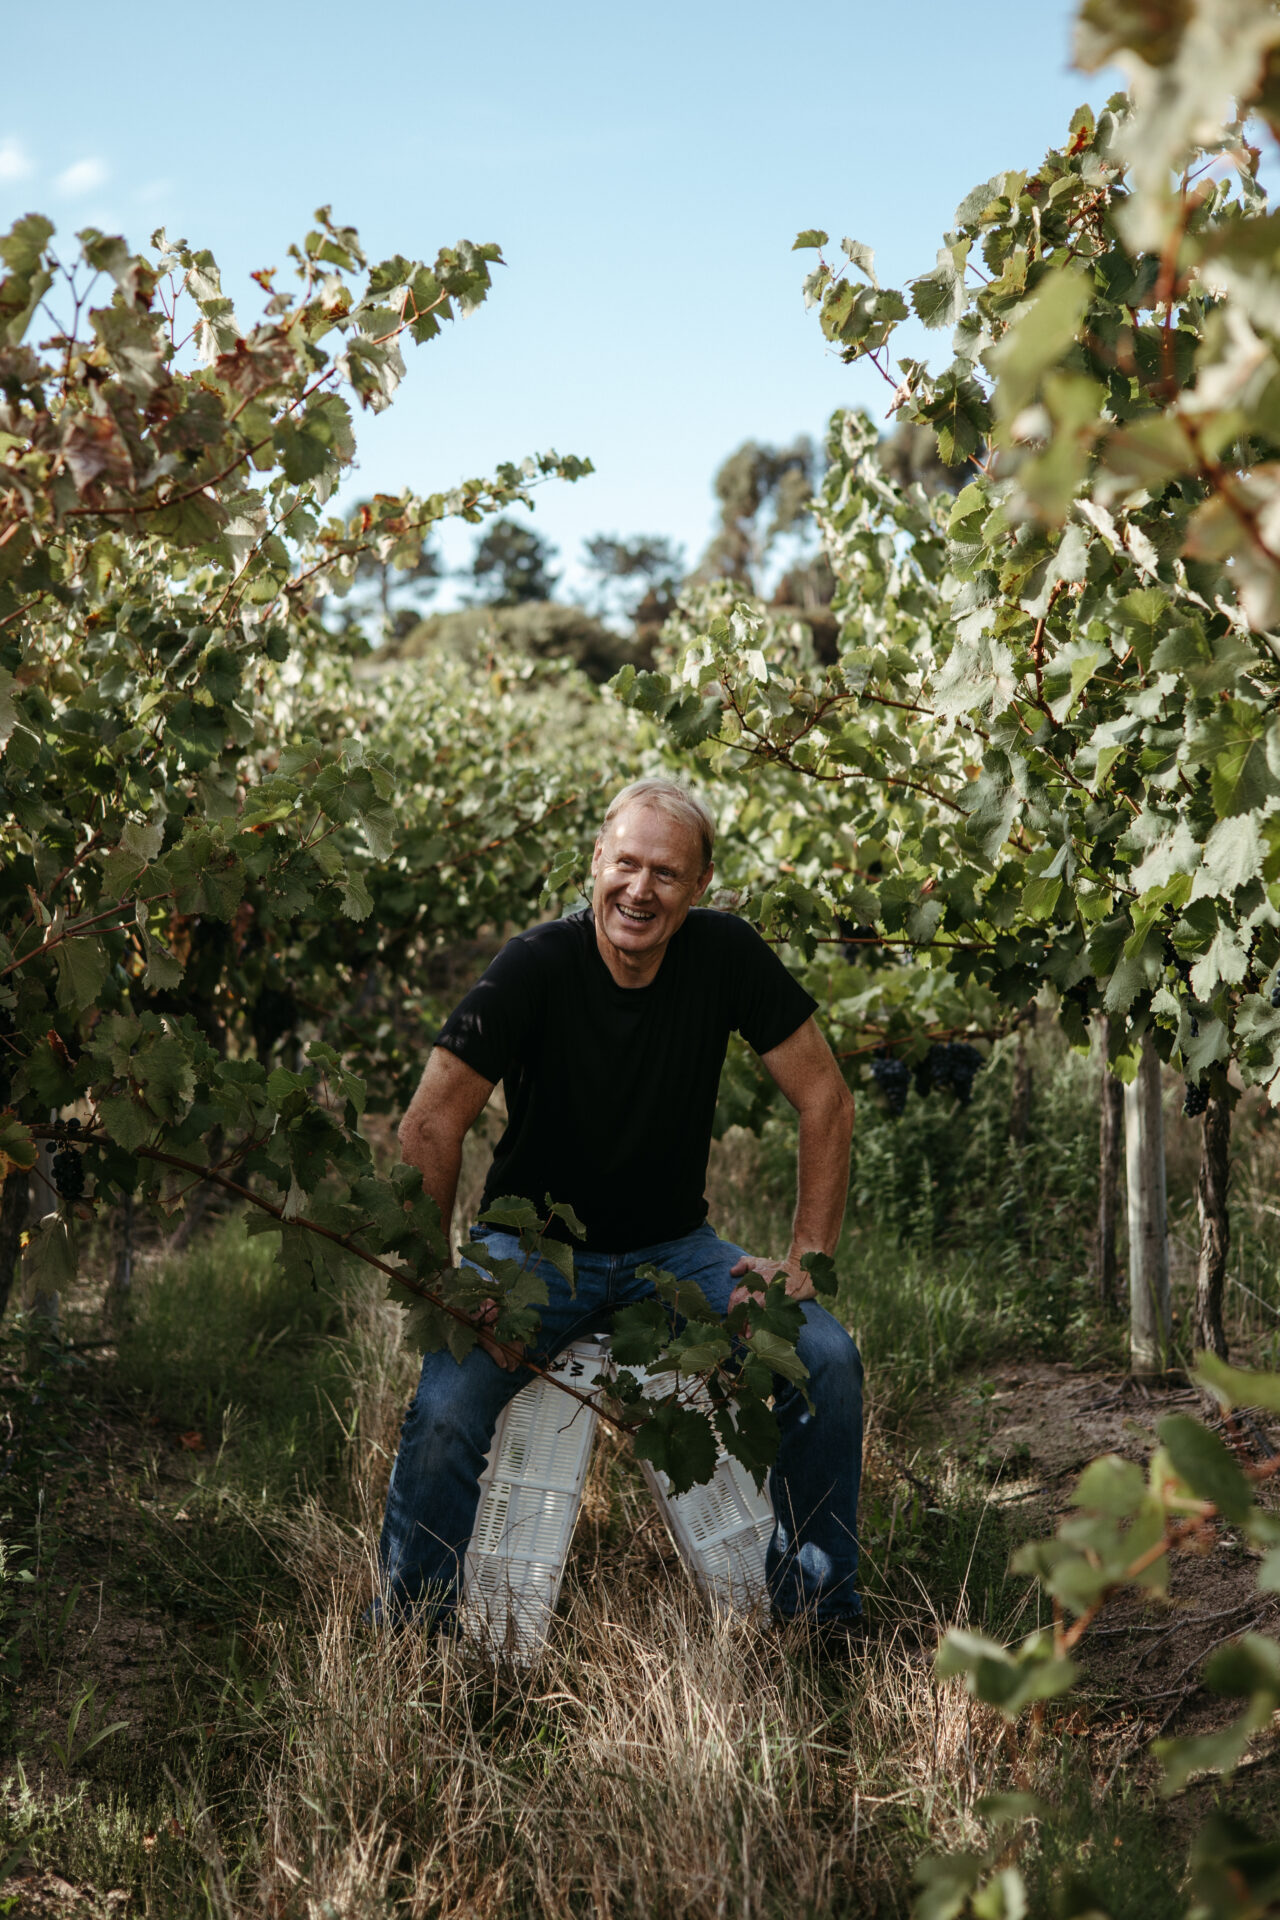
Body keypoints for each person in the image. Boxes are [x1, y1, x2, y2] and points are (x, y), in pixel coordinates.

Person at [379, 776, 863, 1641]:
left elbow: (825, 1096)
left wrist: (805, 1258)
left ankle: (818, 1622)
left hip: (674, 1250)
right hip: (530, 1253)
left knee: (824, 1358)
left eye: (667, 873)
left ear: (701, 885)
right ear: (596, 861)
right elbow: (429, 1122)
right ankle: (413, 1636)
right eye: (627, 863)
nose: (641, 889)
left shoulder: (726, 955)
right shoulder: (534, 965)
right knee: (448, 1408)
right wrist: (438, 1281)